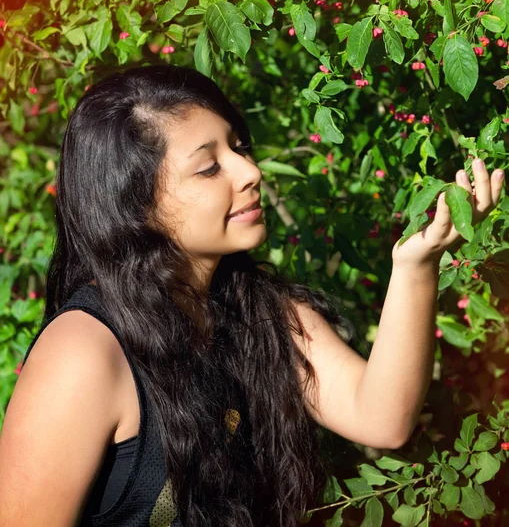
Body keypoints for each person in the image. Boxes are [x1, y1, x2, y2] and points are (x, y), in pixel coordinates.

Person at [0, 64, 504, 527]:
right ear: (134, 202)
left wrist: (415, 264)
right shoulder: (85, 351)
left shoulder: (259, 311)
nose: (250, 172)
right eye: (208, 167)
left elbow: (381, 417)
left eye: (238, 148)